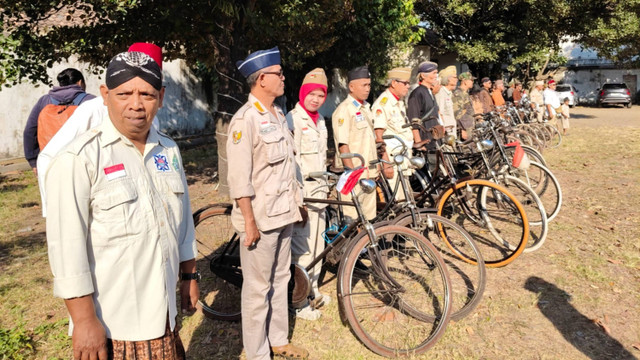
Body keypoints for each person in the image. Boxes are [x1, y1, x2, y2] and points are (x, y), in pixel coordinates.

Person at [45, 50, 198, 360]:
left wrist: (190, 276)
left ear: (162, 97)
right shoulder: (79, 159)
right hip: (117, 325)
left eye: (147, 94)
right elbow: (66, 251)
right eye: (124, 93)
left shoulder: (168, 149)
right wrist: (85, 321)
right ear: (105, 95)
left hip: (165, 317)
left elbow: (183, 225)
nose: (136, 105)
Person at [226, 47, 308, 360]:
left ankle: (278, 340)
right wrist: (248, 221)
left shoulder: (276, 114)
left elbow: (288, 169)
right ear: (262, 79)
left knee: (281, 279)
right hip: (260, 219)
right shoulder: (245, 120)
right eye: (279, 73)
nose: (283, 78)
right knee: (257, 289)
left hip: (283, 213)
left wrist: (297, 204)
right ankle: (256, 352)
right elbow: (239, 179)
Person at [36, 43, 163, 217]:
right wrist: (54, 211)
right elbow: (48, 157)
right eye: (127, 91)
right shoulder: (92, 109)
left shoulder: (155, 122)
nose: (136, 104)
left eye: (148, 91)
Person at [286, 68, 330, 321]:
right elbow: (292, 164)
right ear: (302, 94)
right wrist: (297, 200)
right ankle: (298, 301)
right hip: (303, 195)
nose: (315, 99)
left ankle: (312, 289)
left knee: (317, 244)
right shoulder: (293, 119)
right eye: (311, 94)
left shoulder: (320, 120)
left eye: (320, 95)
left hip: (320, 193)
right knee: (301, 246)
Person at [23, 68, 95, 174]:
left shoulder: (44, 101)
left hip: (50, 161)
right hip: (83, 162)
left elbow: (29, 131)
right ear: (80, 82)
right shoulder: (91, 101)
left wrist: (33, 161)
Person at [331, 66, 380, 221]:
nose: (368, 89)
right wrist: (352, 175)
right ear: (351, 87)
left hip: (369, 173)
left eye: (369, 85)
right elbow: (343, 145)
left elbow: (369, 141)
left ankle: (366, 245)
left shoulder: (366, 107)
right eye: (364, 85)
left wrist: (375, 166)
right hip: (355, 176)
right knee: (353, 219)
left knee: (369, 217)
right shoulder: (344, 110)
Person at [372, 67, 413, 200]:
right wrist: (386, 164)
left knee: (407, 197)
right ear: (394, 83)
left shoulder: (399, 102)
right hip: (392, 161)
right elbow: (378, 136)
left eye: (408, 83)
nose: (408, 86)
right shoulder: (383, 104)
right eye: (405, 83)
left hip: (402, 159)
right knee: (399, 200)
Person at [407, 61, 443, 149]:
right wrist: (419, 144)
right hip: (425, 140)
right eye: (434, 73)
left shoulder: (429, 91)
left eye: (436, 73)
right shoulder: (417, 93)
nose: (436, 76)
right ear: (423, 76)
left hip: (434, 139)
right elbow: (414, 121)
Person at [452, 72, 476, 140]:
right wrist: (462, 129)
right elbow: (457, 113)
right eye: (471, 80)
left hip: (469, 126)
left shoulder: (465, 93)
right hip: (465, 128)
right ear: (465, 81)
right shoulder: (458, 94)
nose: (473, 82)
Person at [435, 65, 457, 136]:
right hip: (446, 131)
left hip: (451, 130)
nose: (456, 79)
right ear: (448, 79)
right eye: (454, 77)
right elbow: (439, 113)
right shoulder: (441, 92)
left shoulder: (449, 93)